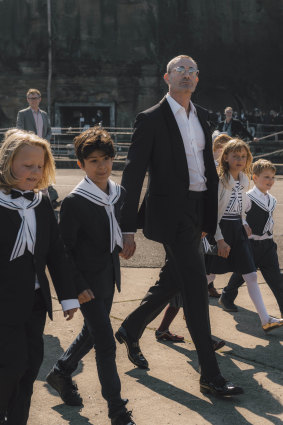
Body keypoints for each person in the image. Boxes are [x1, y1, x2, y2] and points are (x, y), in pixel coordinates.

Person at [116, 54, 243, 397]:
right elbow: (133, 171)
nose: (186, 75)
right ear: (166, 77)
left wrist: (208, 220)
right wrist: (126, 228)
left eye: (192, 71)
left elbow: (205, 168)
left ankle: (131, 327)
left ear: (198, 80)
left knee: (175, 277)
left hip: (197, 210)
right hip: (170, 214)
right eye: (179, 70)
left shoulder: (203, 116)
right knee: (195, 287)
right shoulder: (151, 118)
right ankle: (210, 375)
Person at [46, 127, 136, 425]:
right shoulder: (74, 201)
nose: (102, 166)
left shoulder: (117, 192)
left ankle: (60, 372)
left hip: (108, 276)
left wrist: (125, 239)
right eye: (94, 161)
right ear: (80, 165)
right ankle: (117, 409)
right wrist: (77, 286)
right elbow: (63, 250)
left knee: (92, 332)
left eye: (107, 159)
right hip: (85, 282)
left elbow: (119, 223)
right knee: (105, 342)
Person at [0, 129, 79, 425]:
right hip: (3, 302)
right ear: (8, 163)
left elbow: (56, 253)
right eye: (27, 165)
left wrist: (69, 295)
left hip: (34, 302)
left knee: (30, 366)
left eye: (40, 166)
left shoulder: (42, 202)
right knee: (11, 366)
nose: (34, 172)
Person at [205, 139, 283, 332]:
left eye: (243, 156)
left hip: (237, 230)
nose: (239, 159)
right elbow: (214, 213)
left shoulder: (244, 180)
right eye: (235, 156)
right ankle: (179, 296)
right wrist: (220, 239)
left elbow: (239, 210)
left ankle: (266, 319)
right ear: (226, 157)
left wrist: (244, 223)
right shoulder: (221, 182)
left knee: (251, 275)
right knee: (210, 274)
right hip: (221, 230)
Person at [219, 159, 283, 316]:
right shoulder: (247, 197)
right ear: (255, 177)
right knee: (241, 274)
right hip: (250, 245)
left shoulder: (271, 200)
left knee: (277, 281)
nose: (270, 181)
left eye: (272, 177)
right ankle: (227, 296)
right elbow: (236, 213)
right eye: (266, 177)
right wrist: (244, 223)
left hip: (267, 246)